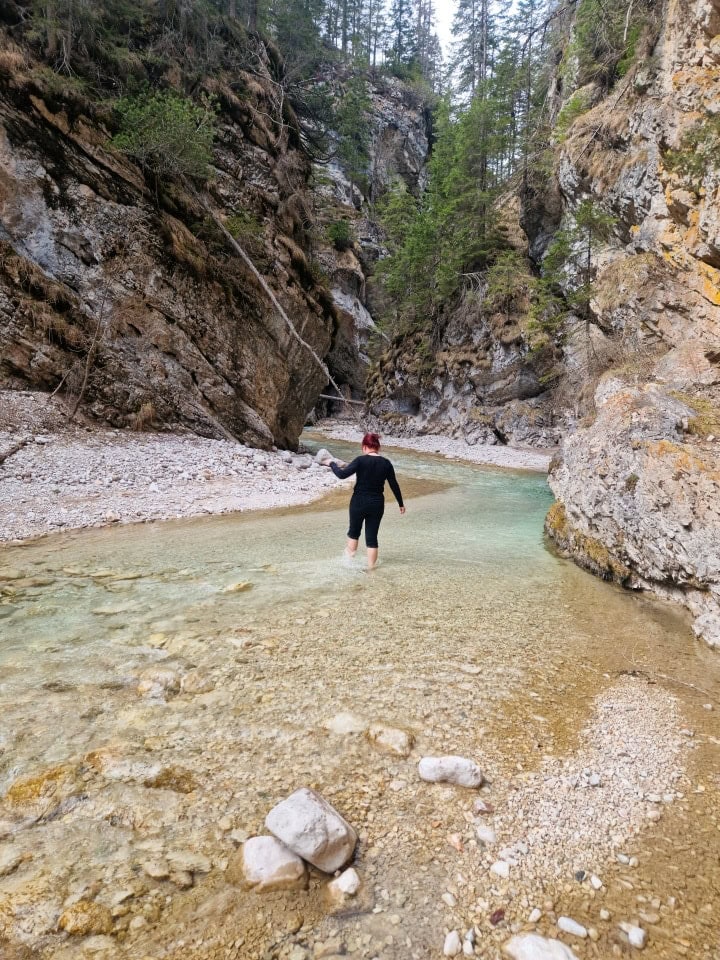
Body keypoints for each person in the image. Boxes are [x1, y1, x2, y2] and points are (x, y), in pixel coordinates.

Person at [321, 432, 405, 569]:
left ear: (365, 446)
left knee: (354, 533)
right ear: (377, 447)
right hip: (377, 504)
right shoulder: (386, 463)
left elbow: (342, 475)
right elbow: (394, 485)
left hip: (358, 502)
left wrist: (332, 464)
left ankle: (348, 565)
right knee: (372, 538)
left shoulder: (360, 460)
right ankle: (371, 570)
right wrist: (401, 504)